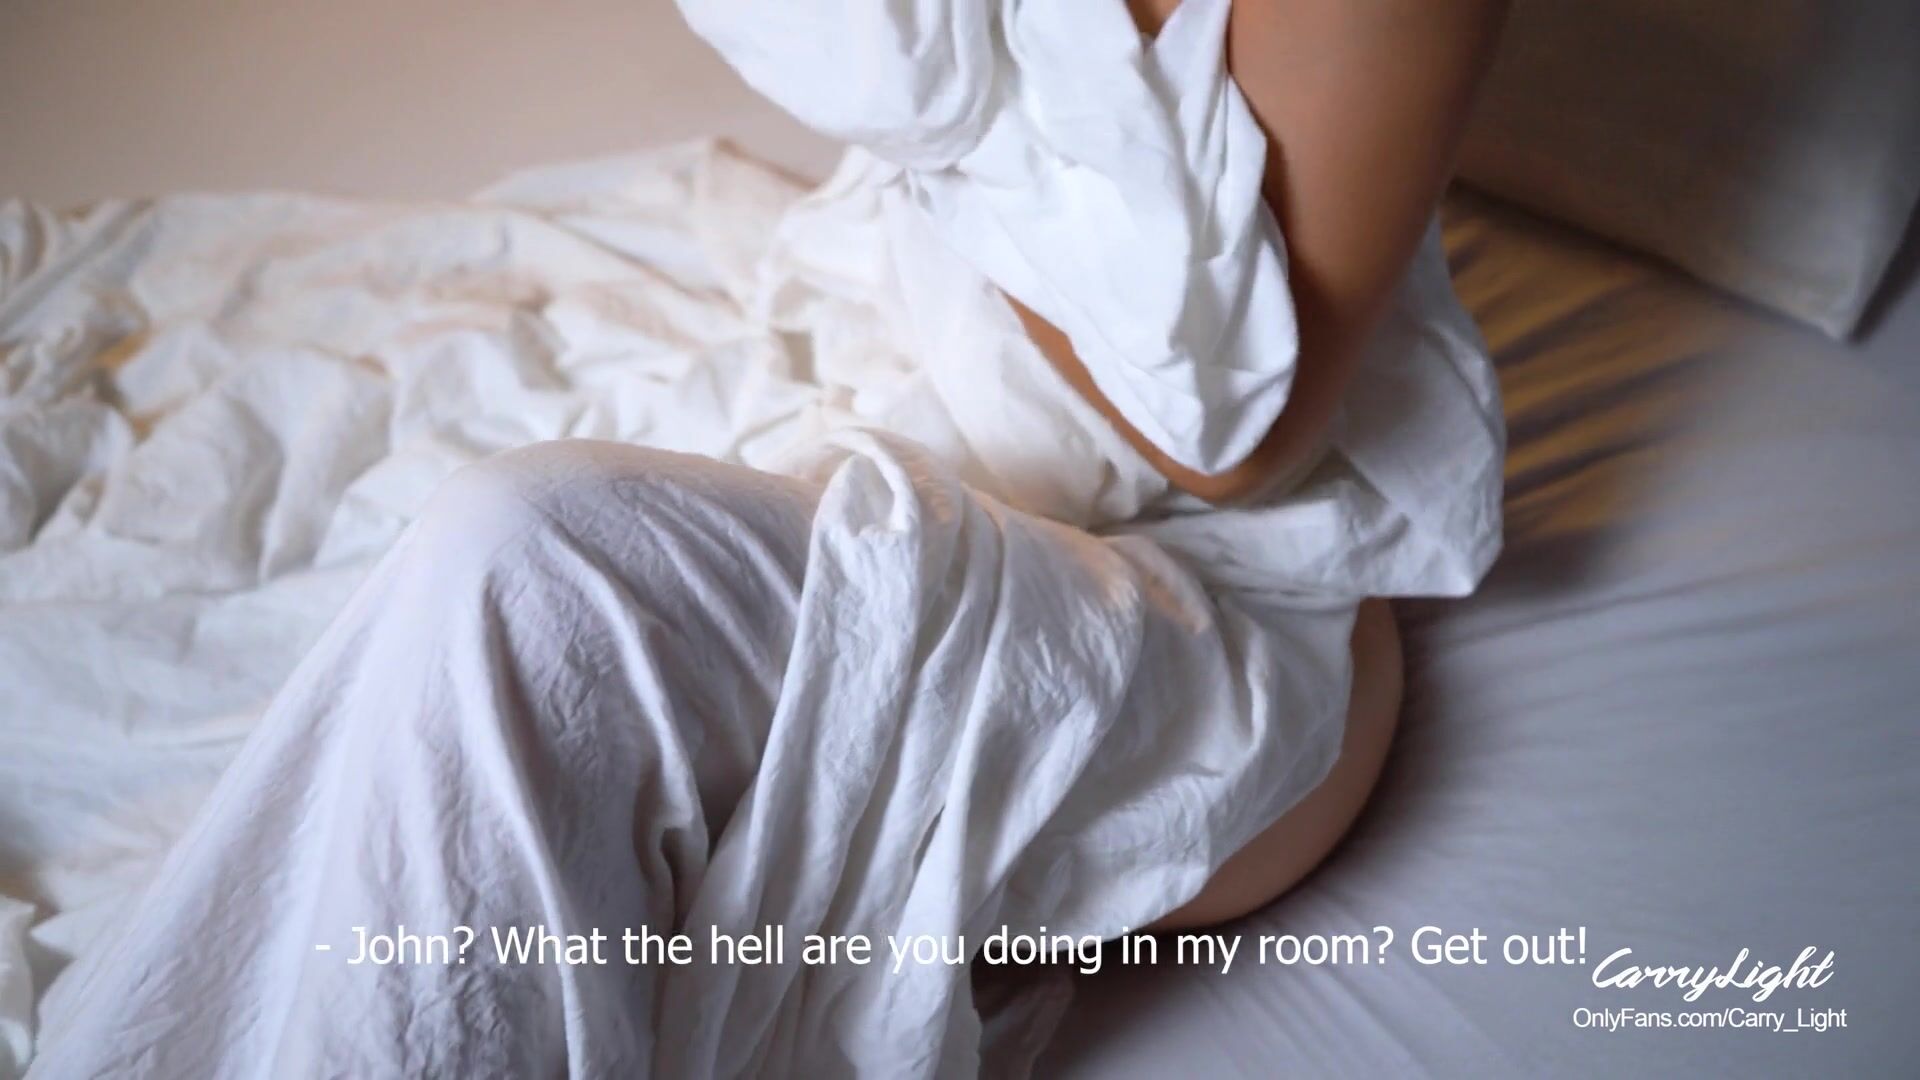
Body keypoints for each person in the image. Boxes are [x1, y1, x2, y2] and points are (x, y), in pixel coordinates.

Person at [29, 1, 1509, 1074]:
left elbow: (1225, 442)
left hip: (1201, 595)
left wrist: (947, 119)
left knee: (539, 560)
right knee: (456, 589)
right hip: (924, 401)